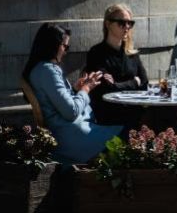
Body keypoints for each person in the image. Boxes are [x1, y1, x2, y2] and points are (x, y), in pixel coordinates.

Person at [23, 23, 122, 165]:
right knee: (129, 134)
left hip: (68, 134)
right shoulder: (48, 71)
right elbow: (71, 111)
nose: (66, 51)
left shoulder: (39, 69)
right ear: (53, 45)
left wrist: (76, 90)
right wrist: (86, 89)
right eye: (65, 46)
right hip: (74, 137)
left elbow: (56, 103)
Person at [84, 4, 148, 125]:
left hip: (134, 109)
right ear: (108, 24)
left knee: (169, 112)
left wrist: (117, 84)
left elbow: (144, 83)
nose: (127, 27)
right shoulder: (96, 53)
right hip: (111, 114)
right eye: (122, 23)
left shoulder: (132, 53)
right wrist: (134, 82)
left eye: (130, 23)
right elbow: (107, 88)